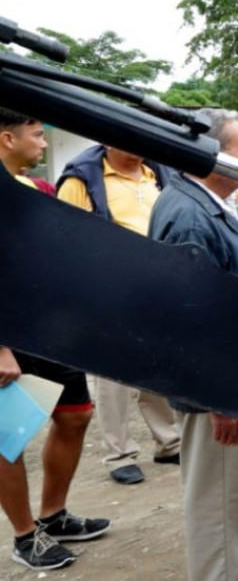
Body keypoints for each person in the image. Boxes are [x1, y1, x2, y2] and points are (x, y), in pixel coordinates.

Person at [147, 108, 238, 581]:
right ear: (209, 153)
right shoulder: (187, 214)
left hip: (229, 382)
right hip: (217, 391)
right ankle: (224, 571)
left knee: (235, 487)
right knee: (219, 491)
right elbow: (191, 320)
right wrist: (219, 398)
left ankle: (235, 561)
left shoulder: (201, 202)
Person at [1, 108, 110, 571]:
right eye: (36, 135)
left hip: (49, 331)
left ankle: (54, 515)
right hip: (9, 337)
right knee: (8, 437)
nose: (44, 144)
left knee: (76, 415)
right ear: (7, 138)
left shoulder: (39, 189)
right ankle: (26, 537)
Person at [57, 144, 182, 486]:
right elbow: (66, 238)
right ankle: (120, 454)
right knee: (112, 375)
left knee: (157, 364)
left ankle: (168, 442)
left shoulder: (158, 173)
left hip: (155, 287)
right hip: (108, 289)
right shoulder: (82, 179)